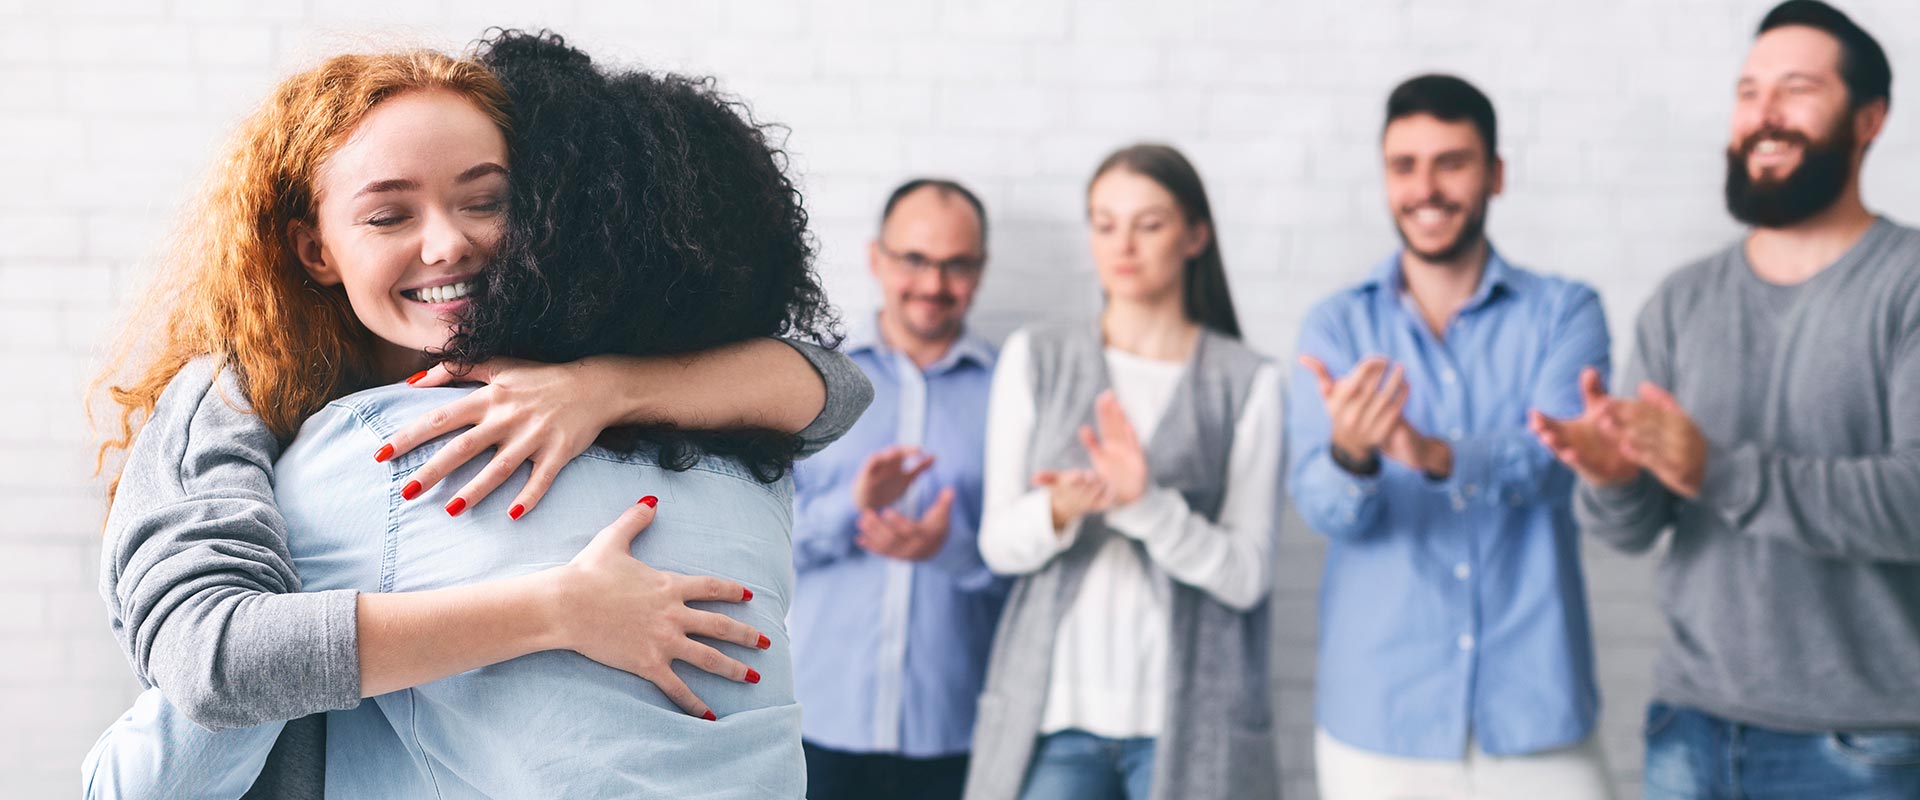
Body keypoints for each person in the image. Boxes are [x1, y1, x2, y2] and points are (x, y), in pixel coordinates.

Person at [83, 31, 870, 798]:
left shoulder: (548, 364)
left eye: (485, 201)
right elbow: (207, 657)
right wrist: (560, 608)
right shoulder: (237, 397)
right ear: (314, 249)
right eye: (389, 216)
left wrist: (605, 388)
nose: (447, 243)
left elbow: (833, 388)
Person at [1532, 2, 1920, 797]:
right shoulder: (1681, 301)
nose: (1763, 115)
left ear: (1869, 119)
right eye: (1748, 92)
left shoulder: (1907, 285)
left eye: (1796, 89)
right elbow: (1640, 533)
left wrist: (1718, 468)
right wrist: (1613, 479)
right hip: (1689, 729)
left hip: (1865, 746)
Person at [1287, 74, 1614, 800]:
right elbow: (1320, 508)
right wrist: (1353, 455)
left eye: (1451, 162)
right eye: (1404, 166)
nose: (1425, 189)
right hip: (1381, 717)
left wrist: (1434, 455)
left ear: (1495, 174)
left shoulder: (1566, 312)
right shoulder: (1336, 327)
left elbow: (1562, 465)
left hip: (1535, 708)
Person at [968, 144, 1282, 800]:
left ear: (1195, 235)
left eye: (1150, 224)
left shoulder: (1248, 380)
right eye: (1104, 223)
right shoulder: (1038, 357)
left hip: (1190, 723)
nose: (1123, 246)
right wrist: (1060, 510)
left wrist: (1145, 507)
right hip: (1055, 720)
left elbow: (1248, 578)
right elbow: (998, 545)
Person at [790, 179, 1008, 800]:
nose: (934, 285)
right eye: (915, 259)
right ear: (877, 257)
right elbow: (761, 542)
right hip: (817, 720)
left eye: (956, 265)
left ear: (980, 269)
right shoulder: (811, 383)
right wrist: (850, 507)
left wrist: (952, 550)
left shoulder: (1010, 394)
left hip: (953, 732)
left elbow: (1031, 570)